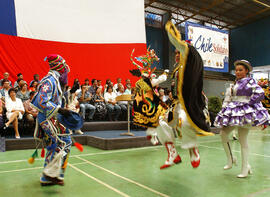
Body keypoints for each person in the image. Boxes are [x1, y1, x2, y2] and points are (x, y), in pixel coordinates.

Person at [214, 60, 270, 178]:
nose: (238, 72)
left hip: (245, 113)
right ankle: (231, 159)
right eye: (237, 70)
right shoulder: (233, 84)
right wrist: (224, 111)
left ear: (246, 71)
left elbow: (260, 93)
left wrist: (249, 102)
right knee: (223, 134)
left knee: (242, 139)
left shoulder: (250, 81)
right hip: (233, 112)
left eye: (241, 70)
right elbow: (228, 99)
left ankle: (245, 168)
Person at [31, 54, 73, 186]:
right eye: (64, 67)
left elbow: (56, 98)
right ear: (59, 68)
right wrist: (60, 110)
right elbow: (42, 102)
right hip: (47, 117)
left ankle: (47, 177)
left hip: (52, 117)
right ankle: (52, 174)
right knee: (64, 142)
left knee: (53, 144)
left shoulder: (54, 80)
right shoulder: (49, 81)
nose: (66, 70)